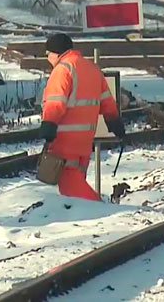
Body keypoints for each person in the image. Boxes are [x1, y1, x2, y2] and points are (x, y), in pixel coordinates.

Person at [39, 33, 126, 201]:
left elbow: (56, 102)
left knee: (69, 183)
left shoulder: (63, 69)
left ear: (56, 52)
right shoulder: (92, 69)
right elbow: (107, 101)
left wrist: (48, 124)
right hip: (85, 140)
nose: (48, 58)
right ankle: (85, 213)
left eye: (47, 54)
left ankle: (99, 209)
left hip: (65, 139)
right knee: (77, 180)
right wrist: (114, 121)